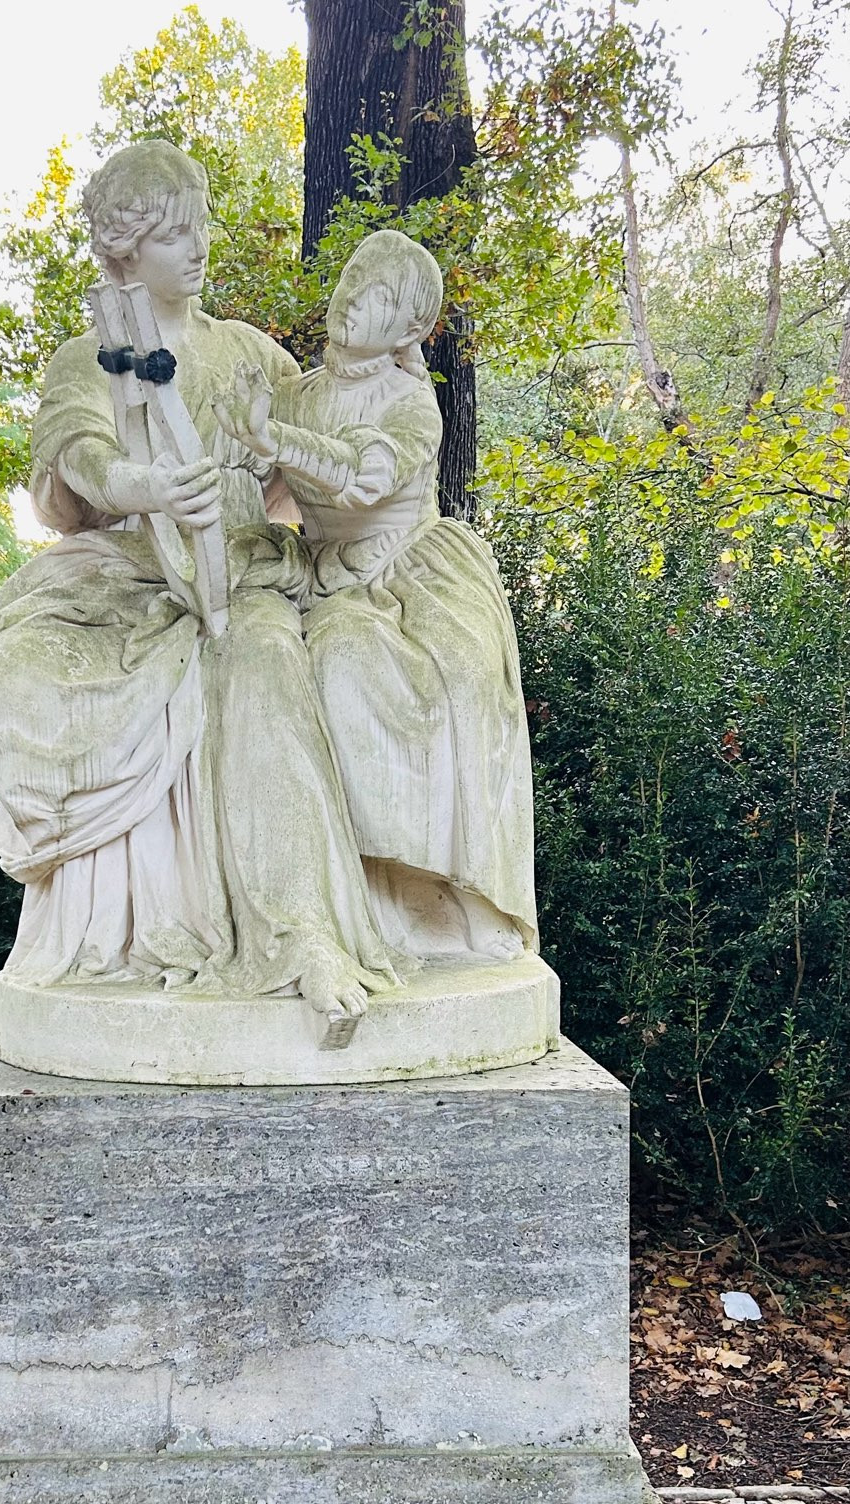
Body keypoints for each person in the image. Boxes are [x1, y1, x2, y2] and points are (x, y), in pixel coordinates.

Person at [0, 141, 398, 1028]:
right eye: (175, 235)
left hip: (239, 565)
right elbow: (79, 457)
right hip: (125, 567)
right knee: (21, 657)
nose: (199, 248)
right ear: (126, 251)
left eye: (202, 227)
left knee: (262, 655)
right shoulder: (88, 356)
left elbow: (331, 428)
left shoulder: (247, 354)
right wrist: (146, 487)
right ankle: (123, 937)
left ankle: (304, 932)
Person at [214, 231, 539, 964]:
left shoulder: (412, 403)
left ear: (411, 331)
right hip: (330, 580)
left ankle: (472, 895)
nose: (357, 298)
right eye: (355, 279)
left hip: (414, 571)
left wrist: (274, 437)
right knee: (340, 663)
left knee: (462, 676)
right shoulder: (294, 394)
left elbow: (365, 479)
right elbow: (252, 485)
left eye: (383, 296)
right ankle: (373, 896)